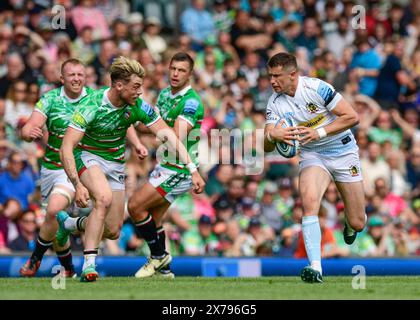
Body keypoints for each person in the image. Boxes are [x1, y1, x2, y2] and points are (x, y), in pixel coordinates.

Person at [58, 56, 205, 282]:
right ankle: (89, 265)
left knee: (113, 230)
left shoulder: (138, 105)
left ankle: (72, 223)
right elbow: (66, 147)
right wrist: (77, 185)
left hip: (116, 161)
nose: (139, 92)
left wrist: (193, 168)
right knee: (104, 199)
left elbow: (169, 135)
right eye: (136, 87)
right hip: (88, 155)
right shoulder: (91, 104)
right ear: (119, 85)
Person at [263, 52, 366, 283]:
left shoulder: (317, 88)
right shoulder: (274, 102)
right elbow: (265, 144)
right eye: (270, 75)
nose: (272, 81)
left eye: (277, 76)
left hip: (343, 151)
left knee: (359, 221)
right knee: (309, 203)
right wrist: (273, 134)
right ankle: (316, 268)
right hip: (313, 154)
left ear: (293, 75)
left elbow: (352, 116)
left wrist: (317, 132)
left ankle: (350, 223)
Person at [128, 52, 205, 279]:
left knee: (135, 206)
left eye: (181, 70)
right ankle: (165, 271)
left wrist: (154, 131)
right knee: (155, 217)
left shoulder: (191, 102)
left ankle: (158, 256)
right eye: (173, 68)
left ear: (190, 74)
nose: (175, 73)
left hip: (180, 168)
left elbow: (175, 136)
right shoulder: (163, 94)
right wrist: (132, 118)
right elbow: (152, 126)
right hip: (164, 165)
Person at [18, 59, 92, 278]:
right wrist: (28, 133)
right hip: (50, 168)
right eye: (72, 75)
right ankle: (68, 268)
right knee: (55, 224)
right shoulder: (50, 99)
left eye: (80, 74)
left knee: (52, 210)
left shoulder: (94, 99)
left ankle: (35, 259)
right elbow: (28, 127)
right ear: (62, 78)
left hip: (76, 167)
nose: (77, 79)